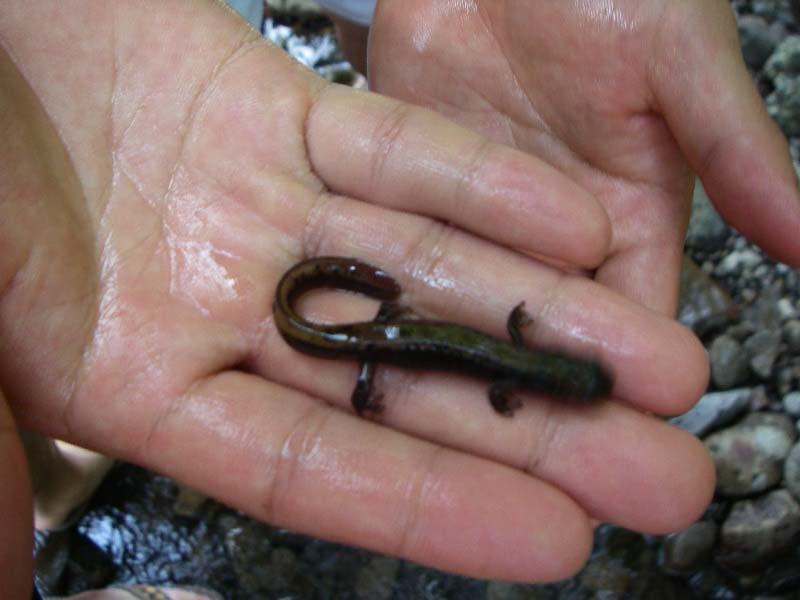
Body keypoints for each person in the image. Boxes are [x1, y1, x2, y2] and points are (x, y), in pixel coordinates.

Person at [1, 1, 798, 598]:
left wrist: (439, 347)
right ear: (550, 374)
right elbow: (499, 379)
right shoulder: (512, 375)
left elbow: (506, 351)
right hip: (367, 344)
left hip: (377, 340)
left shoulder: (516, 363)